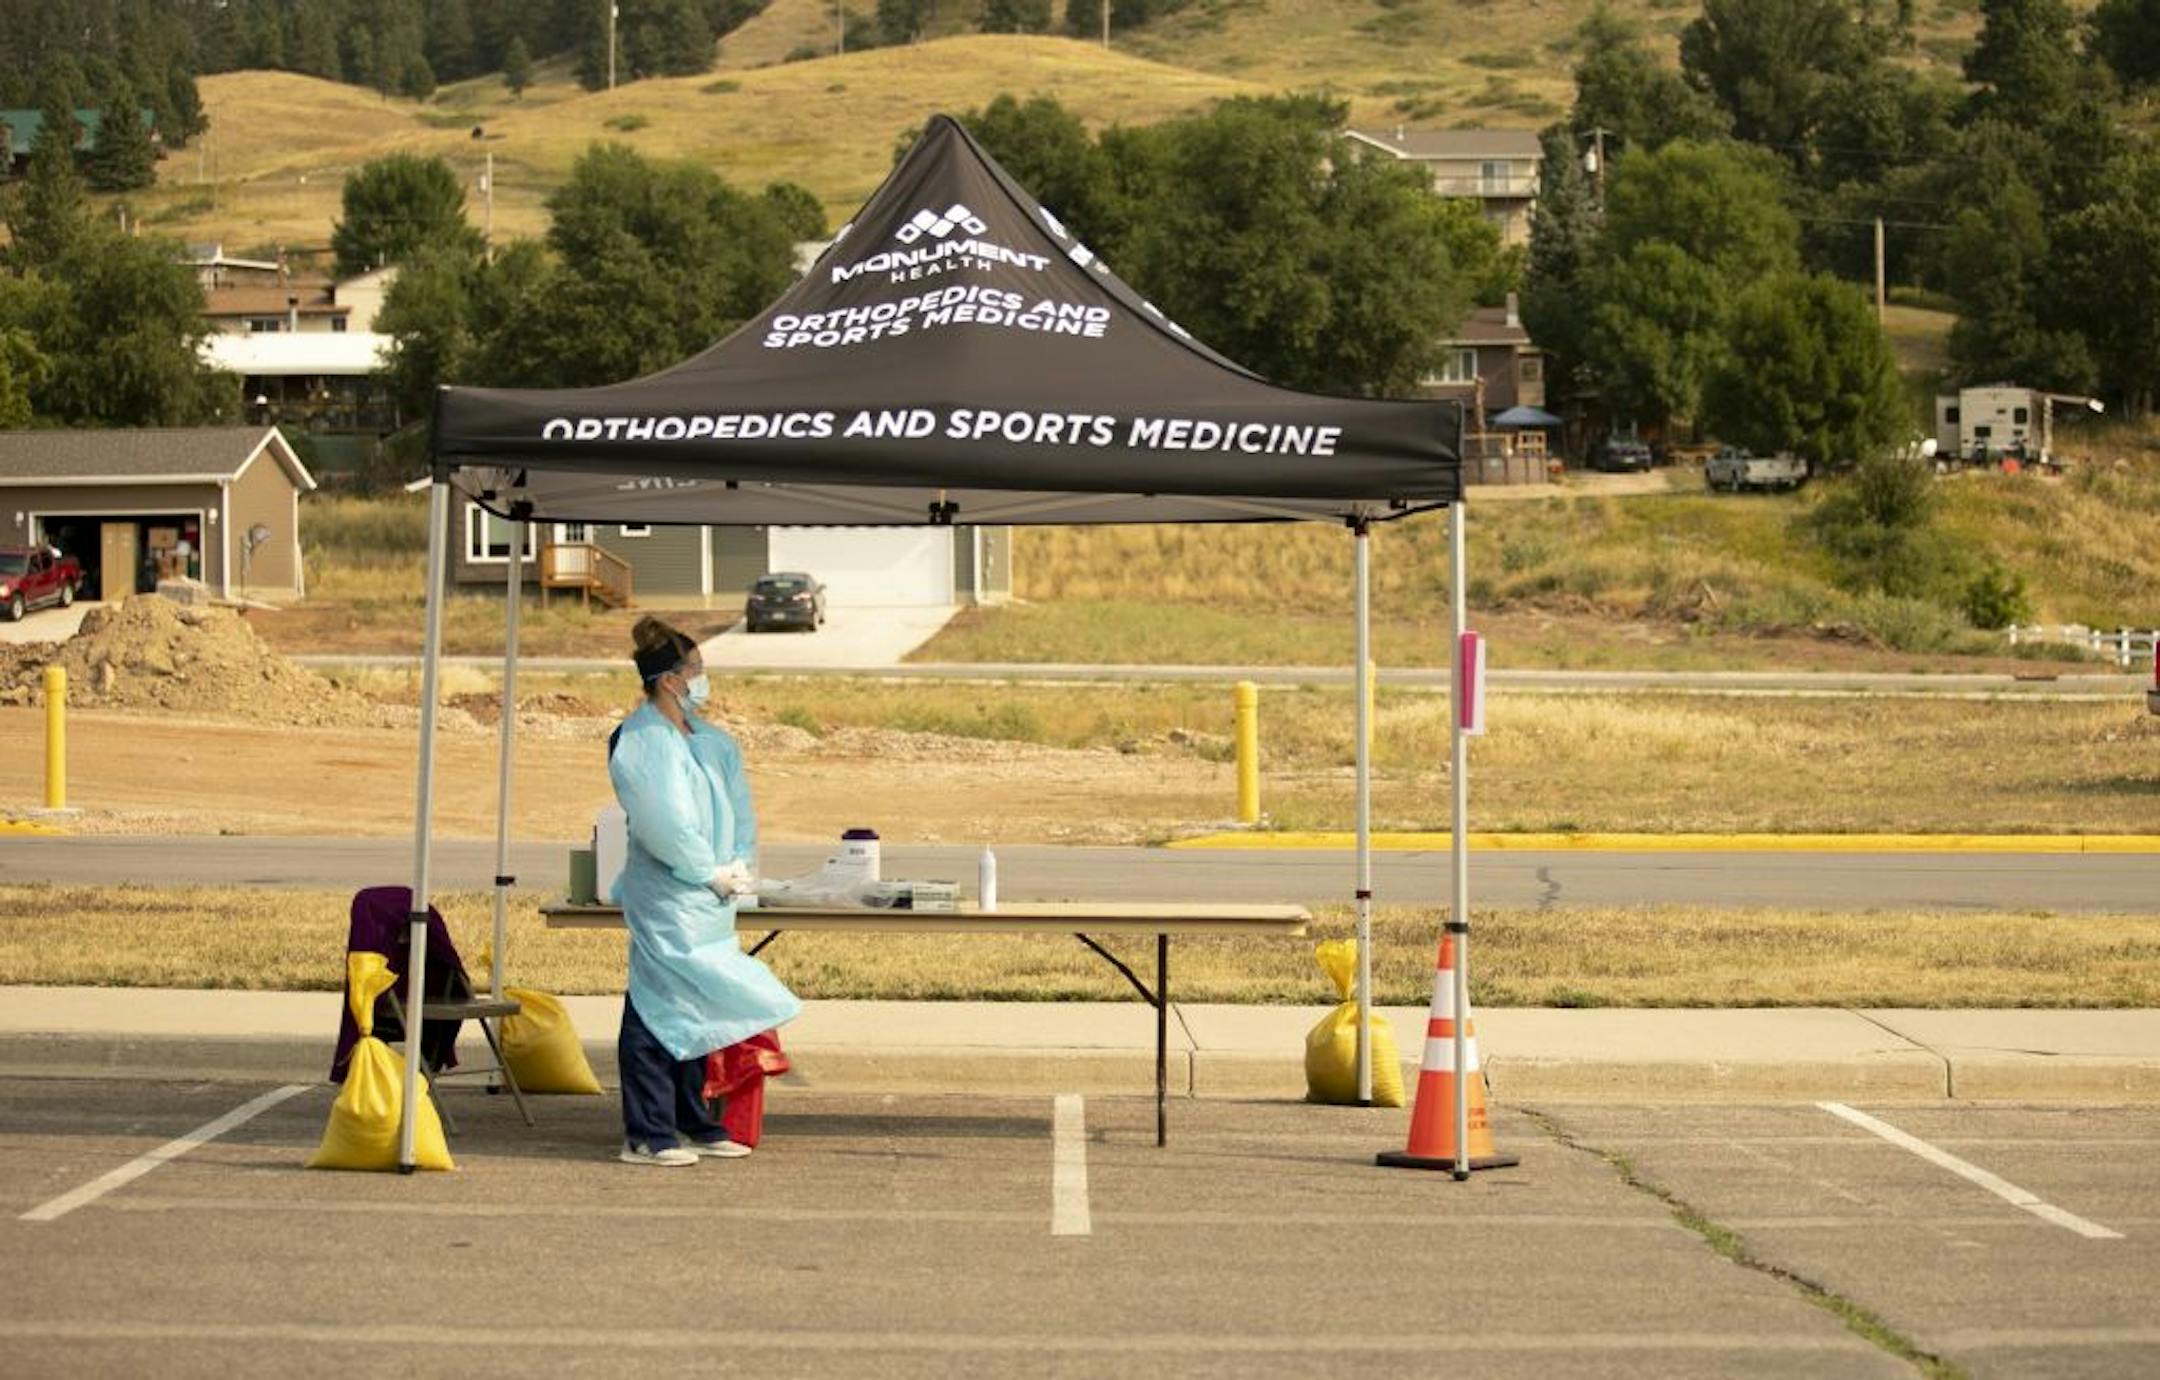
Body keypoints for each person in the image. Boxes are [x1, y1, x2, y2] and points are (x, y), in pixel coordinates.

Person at [606, 616, 801, 1166]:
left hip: (711, 901)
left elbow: (738, 809)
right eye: (695, 669)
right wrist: (704, 870)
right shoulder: (641, 741)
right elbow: (662, 821)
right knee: (653, 1009)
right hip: (670, 897)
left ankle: (692, 1118)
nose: (702, 678)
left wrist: (736, 866)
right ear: (670, 679)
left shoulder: (711, 741)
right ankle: (647, 1132)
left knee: (696, 1007)